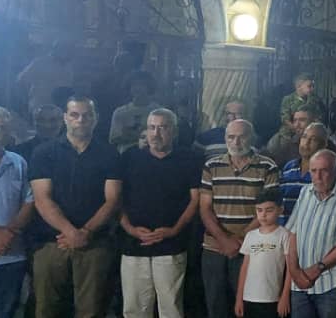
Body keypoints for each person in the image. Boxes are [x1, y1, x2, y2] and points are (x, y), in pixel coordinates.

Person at [29, 96, 122, 318]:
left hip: (95, 243)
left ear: (96, 119)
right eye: (75, 115)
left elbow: (113, 200)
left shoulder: (109, 153)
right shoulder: (44, 152)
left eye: (87, 115)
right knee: (47, 309)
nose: (81, 120)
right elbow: (42, 199)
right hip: (52, 243)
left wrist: (86, 232)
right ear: (65, 118)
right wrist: (71, 233)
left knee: (92, 310)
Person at [119, 108, 201, 318]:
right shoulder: (129, 158)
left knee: (171, 309)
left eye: (163, 127)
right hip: (134, 244)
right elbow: (116, 199)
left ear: (174, 131)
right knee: (134, 309)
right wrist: (130, 229)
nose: (156, 133)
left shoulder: (189, 159)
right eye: (152, 127)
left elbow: (195, 200)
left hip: (171, 245)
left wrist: (174, 230)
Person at [199, 119, 280, 318]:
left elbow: (269, 209)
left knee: (247, 307)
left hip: (251, 248)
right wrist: (224, 240)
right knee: (216, 306)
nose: (235, 142)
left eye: (241, 137)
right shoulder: (211, 165)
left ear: (252, 138)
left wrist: (240, 239)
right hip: (214, 247)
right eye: (231, 137)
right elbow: (205, 208)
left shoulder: (267, 166)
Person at [285, 149, 336, 318]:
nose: (318, 177)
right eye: (313, 171)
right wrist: (294, 271)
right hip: (300, 283)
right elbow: (293, 233)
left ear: (335, 171)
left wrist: (318, 268)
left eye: (324, 171)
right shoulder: (305, 192)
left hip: (330, 283)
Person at [0, 106, 34, 317]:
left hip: (11, 256)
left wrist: (8, 234)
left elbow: (29, 201)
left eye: (0, 129)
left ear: (8, 132)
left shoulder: (18, 162)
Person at [234, 189, 291, 318]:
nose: (263, 215)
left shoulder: (285, 235)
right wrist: (239, 298)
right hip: (249, 297)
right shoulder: (250, 235)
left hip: (272, 298)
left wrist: (285, 296)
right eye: (259, 210)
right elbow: (244, 268)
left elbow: (290, 269)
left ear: (280, 210)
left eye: (269, 210)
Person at [280, 123, 336, 223]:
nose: (306, 143)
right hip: (285, 228)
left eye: (313, 139)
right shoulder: (288, 168)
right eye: (304, 137)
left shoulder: (332, 171)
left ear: (323, 145)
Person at [17, 40, 75, 114]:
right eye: (64, 48)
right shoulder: (40, 62)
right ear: (55, 49)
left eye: (69, 49)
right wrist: (24, 103)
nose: (68, 52)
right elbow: (21, 80)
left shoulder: (69, 66)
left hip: (59, 109)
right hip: (40, 107)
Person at [109, 71, 159, 153]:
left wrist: (130, 134)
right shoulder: (120, 112)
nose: (137, 88)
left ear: (149, 86)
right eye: (134, 84)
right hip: (126, 156)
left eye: (142, 84)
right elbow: (114, 139)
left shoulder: (159, 111)